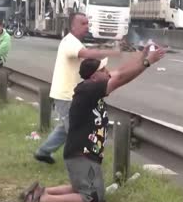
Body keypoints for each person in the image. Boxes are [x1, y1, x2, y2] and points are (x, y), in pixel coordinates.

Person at [21, 44, 166, 202]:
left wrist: (141, 56)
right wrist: (147, 62)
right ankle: (44, 200)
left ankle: (40, 192)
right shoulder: (89, 89)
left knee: (84, 190)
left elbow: (120, 72)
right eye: (103, 70)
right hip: (81, 154)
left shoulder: (92, 88)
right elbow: (120, 79)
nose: (107, 72)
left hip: (85, 154)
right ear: (94, 76)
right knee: (92, 198)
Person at [33, 12, 122, 164]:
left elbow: (92, 61)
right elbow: (87, 54)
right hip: (66, 94)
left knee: (66, 127)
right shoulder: (70, 42)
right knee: (75, 131)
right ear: (73, 26)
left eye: (88, 23)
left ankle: (43, 152)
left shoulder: (76, 42)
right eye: (83, 24)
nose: (87, 27)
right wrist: (111, 52)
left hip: (69, 94)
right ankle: (80, 164)